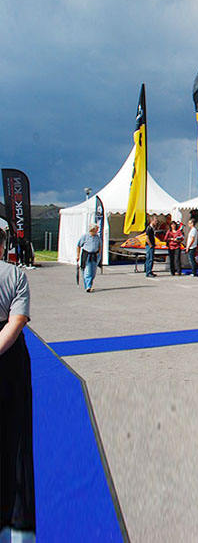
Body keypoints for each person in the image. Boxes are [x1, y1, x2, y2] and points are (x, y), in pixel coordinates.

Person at [0, 228, 36, 538]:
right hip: (9, 358)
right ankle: (16, 513)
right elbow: (17, 321)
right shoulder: (15, 275)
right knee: (15, 432)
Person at [76, 224, 102, 293]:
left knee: (93, 273)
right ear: (93, 229)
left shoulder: (97, 237)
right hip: (87, 255)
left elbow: (100, 246)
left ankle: (88, 285)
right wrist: (78, 255)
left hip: (95, 255)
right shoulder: (85, 236)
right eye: (96, 229)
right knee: (88, 271)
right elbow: (78, 246)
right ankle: (88, 286)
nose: (97, 231)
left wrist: (99, 255)